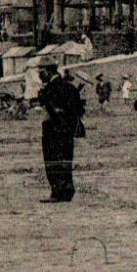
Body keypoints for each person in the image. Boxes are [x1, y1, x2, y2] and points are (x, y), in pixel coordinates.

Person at [37, 65, 85, 203]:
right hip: (67, 130)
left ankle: (57, 192)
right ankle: (67, 190)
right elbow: (80, 110)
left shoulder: (49, 89)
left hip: (52, 129)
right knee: (66, 158)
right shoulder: (69, 87)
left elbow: (48, 107)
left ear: (48, 71)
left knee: (52, 159)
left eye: (41, 72)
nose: (40, 76)